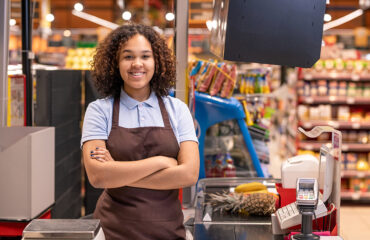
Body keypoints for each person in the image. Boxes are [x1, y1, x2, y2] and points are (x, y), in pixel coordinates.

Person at [81, 23, 199, 240]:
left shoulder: (177, 110)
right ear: (115, 63)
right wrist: (162, 162)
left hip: (168, 231)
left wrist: (116, 173)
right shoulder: (99, 111)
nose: (137, 64)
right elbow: (98, 176)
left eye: (145, 56)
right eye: (127, 57)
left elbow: (189, 174)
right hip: (111, 232)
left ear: (157, 62)